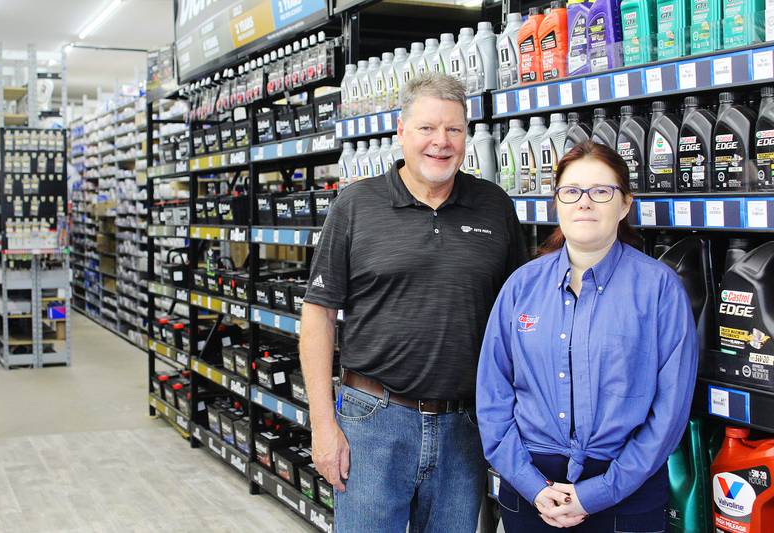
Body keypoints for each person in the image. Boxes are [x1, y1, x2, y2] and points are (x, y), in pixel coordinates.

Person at [299, 72, 527, 532]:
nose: (440, 142)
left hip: (464, 426)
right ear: (401, 131)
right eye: (426, 128)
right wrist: (323, 426)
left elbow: (517, 316)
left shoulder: (494, 206)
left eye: (453, 130)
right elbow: (318, 314)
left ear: (466, 135)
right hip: (372, 420)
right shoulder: (355, 205)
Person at [476, 141, 698, 532]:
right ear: (556, 203)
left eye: (601, 191)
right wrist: (531, 485)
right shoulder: (521, 286)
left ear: (625, 204)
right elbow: (492, 396)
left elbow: (670, 413)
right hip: (531, 493)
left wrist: (597, 493)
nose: (585, 203)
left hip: (627, 491)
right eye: (572, 191)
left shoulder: (659, 289)